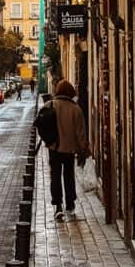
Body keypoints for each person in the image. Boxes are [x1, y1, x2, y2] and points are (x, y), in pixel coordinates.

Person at [44, 79, 89, 222]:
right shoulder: (76, 109)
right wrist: (84, 150)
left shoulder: (49, 105)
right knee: (68, 175)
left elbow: (41, 125)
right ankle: (70, 203)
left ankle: (57, 205)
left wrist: (48, 141)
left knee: (55, 176)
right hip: (69, 149)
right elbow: (81, 133)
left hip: (54, 148)